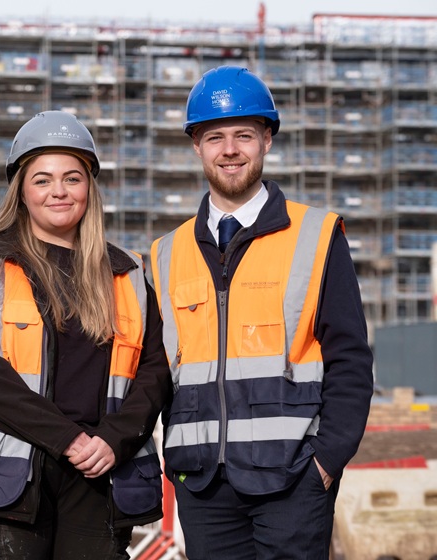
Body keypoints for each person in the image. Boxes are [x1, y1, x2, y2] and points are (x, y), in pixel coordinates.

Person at [150, 66, 374, 559]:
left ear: (266, 140)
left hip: (293, 477)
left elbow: (351, 361)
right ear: (197, 147)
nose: (229, 150)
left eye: (243, 135)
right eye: (215, 137)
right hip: (203, 483)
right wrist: (174, 461)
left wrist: (326, 459)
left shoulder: (316, 237)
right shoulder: (166, 253)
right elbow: (159, 369)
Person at [0, 110, 172, 559]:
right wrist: (68, 439)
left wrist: (113, 440)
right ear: (21, 191)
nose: (58, 191)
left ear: (90, 188)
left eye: (72, 178)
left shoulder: (130, 274)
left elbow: (155, 369)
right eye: (42, 180)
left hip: (98, 480)